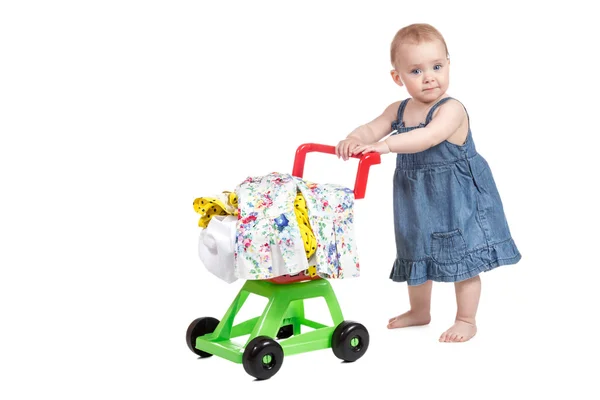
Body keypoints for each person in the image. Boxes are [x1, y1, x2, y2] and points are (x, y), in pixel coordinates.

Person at [335, 23, 521, 342]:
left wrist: (387, 145)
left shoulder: (451, 109)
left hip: (458, 197)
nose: (429, 77)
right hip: (415, 196)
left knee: (463, 252)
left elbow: (428, 137)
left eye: (436, 66)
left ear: (448, 64)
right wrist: (354, 138)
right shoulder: (398, 110)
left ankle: (466, 318)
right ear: (398, 77)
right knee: (416, 247)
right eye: (416, 70)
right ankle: (420, 311)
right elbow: (371, 128)